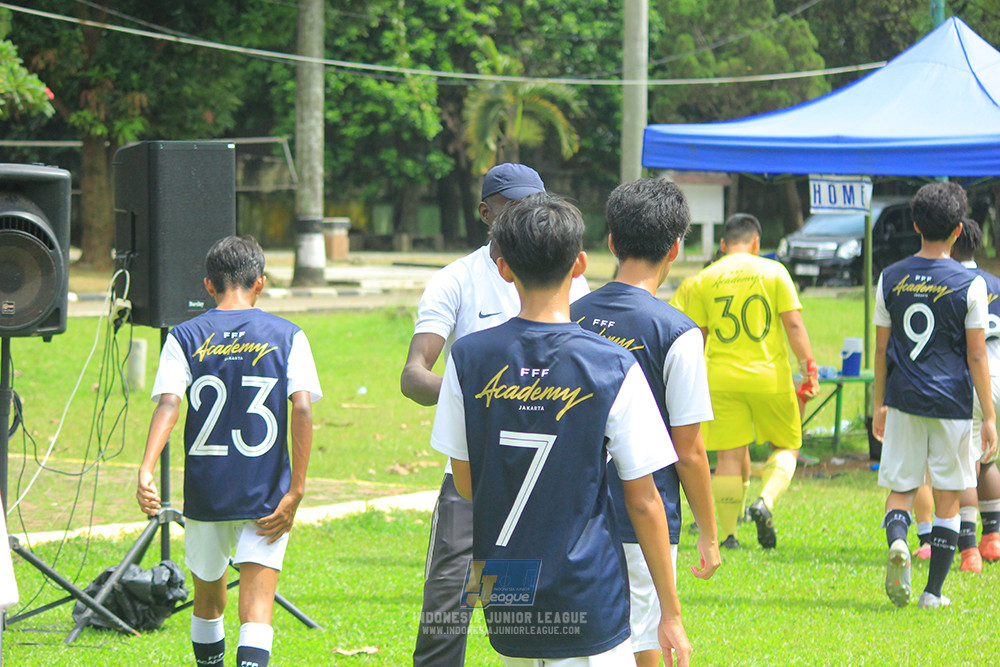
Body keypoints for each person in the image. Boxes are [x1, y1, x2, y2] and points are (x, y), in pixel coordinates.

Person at [431, 192, 690, 665]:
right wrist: (669, 614)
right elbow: (644, 499)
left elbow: (465, 482)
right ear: (580, 265)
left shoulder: (466, 358)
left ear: (505, 268)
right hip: (584, 590)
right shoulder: (612, 364)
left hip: (505, 590)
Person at [400, 163, 589, 666]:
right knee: (447, 607)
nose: (527, 215)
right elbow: (414, 375)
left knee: (536, 612)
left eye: (535, 202)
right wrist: (485, 400)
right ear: (487, 213)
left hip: (547, 472)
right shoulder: (457, 279)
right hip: (471, 475)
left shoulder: (571, 278)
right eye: (513, 205)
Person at [136, 236, 322, 667]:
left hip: (207, 492)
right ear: (260, 282)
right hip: (266, 492)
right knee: (256, 607)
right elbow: (303, 408)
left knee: (208, 602)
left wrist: (146, 468)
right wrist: (296, 490)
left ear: (207, 284)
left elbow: (168, 403)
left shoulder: (184, 336)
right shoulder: (289, 336)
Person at [570, 178, 718, 667]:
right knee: (644, 647)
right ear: (677, 247)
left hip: (573, 517)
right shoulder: (678, 333)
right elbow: (690, 450)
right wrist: (710, 532)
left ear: (611, 242)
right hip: (645, 517)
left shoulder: (570, 317)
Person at [873, 183, 997, 609]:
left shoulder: (890, 277)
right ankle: (932, 592)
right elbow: (978, 354)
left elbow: (880, 348)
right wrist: (991, 416)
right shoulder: (971, 284)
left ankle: (899, 541)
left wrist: (878, 403)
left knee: (901, 488)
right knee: (948, 496)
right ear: (959, 230)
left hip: (904, 398)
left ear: (914, 225)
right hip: (953, 403)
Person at [684, 213, 819, 550]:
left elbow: (696, 337)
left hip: (721, 378)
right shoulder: (774, 272)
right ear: (757, 243)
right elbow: (794, 326)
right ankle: (765, 501)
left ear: (723, 244)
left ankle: (728, 535)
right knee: (787, 445)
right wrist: (809, 369)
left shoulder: (705, 278)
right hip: (769, 377)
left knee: (729, 456)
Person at [950, 218, 1000, 571]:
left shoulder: (948, 283)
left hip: (971, 377)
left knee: (963, 463)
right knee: (989, 459)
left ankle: (968, 549)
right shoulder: (996, 283)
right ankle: (993, 538)